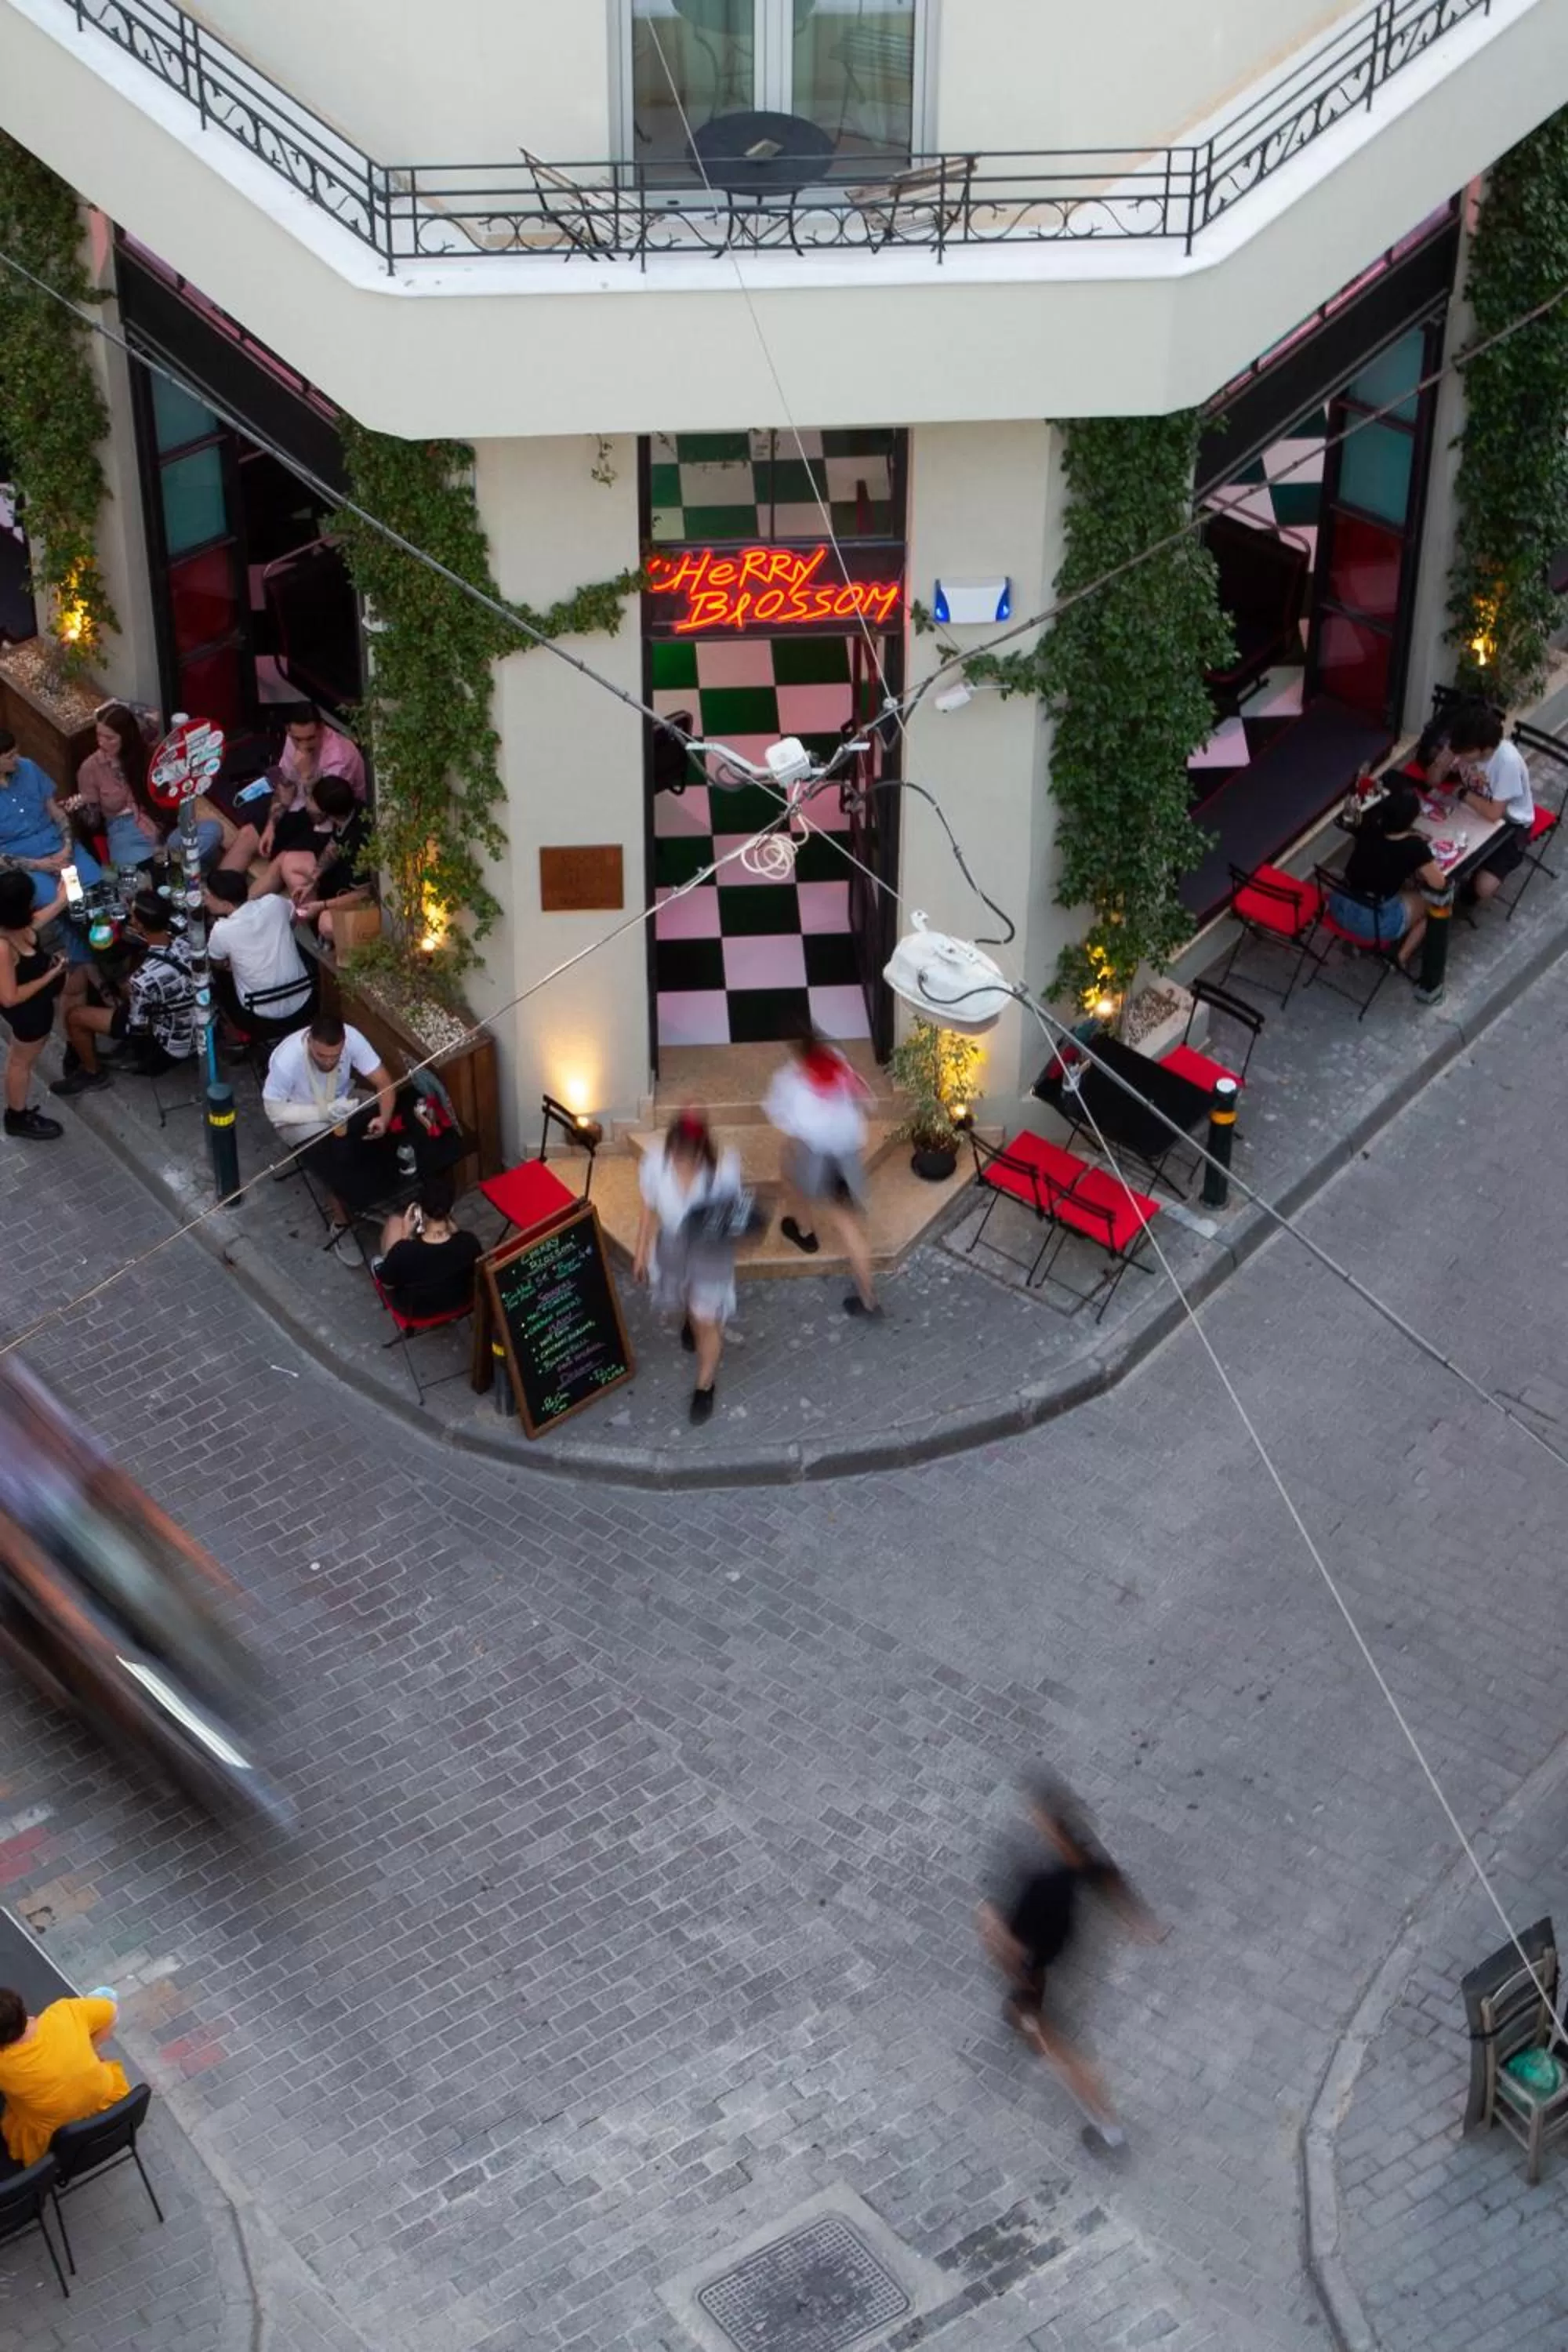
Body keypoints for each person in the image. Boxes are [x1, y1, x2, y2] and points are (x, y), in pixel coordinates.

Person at [976, 1777, 1156, 2151]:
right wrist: (1141, 1924)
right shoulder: (1085, 1860)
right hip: (1062, 1963)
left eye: (1040, 1819)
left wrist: (999, 1941)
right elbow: (1118, 1892)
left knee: (1065, 2049)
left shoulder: (1043, 1882)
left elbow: (1006, 1941)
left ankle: (1111, 2132)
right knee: (1039, 2022)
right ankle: (1027, 2022)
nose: (1034, 1823)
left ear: (1053, 1828)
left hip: (1043, 1973)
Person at [633, 1109, 746, 1425]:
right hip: (674, 1248)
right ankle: (690, 1322)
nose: (684, 1164)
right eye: (679, 1157)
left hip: (709, 1253)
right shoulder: (657, 1163)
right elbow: (648, 1206)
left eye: (690, 1158)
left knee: (706, 1319)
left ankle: (705, 1385)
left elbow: (734, 1220)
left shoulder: (723, 1171)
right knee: (686, 1302)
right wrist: (641, 1250)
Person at [764, 1019, 880, 1316]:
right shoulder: (837, 1060)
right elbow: (865, 1099)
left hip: (818, 1156)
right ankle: (868, 1299)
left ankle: (805, 1231)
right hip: (847, 1152)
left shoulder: (790, 1080)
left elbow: (786, 1121)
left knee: (790, 1176)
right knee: (850, 1223)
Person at [263, 1012, 397, 1234]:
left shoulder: (353, 1038)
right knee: (331, 1156)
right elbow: (274, 1110)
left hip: (341, 1101)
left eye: (335, 1056)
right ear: (309, 1042)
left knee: (375, 1115)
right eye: (321, 1055)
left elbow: (384, 1082)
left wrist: (384, 1118)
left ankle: (374, 1192)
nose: (328, 1061)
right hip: (297, 1117)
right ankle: (340, 1221)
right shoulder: (287, 1060)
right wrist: (324, 1113)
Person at [52, 891, 196, 1095]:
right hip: (200, 1024)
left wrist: (120, 1000)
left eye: (133, 915)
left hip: (169, 1046)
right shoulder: (189, 941)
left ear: (140, 925)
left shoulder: (142, 979)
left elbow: (137, 1027)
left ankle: (93, 1073)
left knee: (74, 1016)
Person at [0, 1984, 131, 2167]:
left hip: (53, 2133)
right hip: (101, 2099)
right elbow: (112, 2012)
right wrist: (91, 2048)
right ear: (22, 2009)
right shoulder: (65, 2012)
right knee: (104, 1995)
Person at [1328, 780, 1446, 973]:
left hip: (1340, 905)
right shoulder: (1414, 847)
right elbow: (1439, 884)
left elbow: (1348, 820)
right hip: (1375, 922)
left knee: (1396, 886)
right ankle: (1400, 957)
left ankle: (1355, 941)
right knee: (1436, 904)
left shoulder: (1368, 828)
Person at [0, 728, 103, 912]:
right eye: (10, 756)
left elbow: (57, 813)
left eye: (17, 751)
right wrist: (40, 865)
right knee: (57, 904)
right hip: (23, 862)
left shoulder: (28, 767)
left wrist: (67, 847)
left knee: (95, 883)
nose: (17, 758)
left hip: (57, 844)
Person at [0, 866, 67, 1141]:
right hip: (28, 1015)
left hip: (38, 1008)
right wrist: (51, 974)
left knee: (22, 1059)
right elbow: (9, 997)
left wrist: (61, 900)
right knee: (20, 1062)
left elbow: (34, 923)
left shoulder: (13, 925)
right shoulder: (2, 947)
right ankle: (17, 1116)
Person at [204, 867, 312, 1028]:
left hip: (259, 1017)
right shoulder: (274, 903)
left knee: (217, 976)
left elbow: (216, 961)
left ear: (225, 904)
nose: (204, 900)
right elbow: (293, 916)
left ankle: (231, 1031)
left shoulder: (221, 930)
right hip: (305, 1002)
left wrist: (228, 965)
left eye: (207, 896)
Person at [1449, 703, 1534, 905]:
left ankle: (1466, 891)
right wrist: (1442, 762)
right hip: (1477, 808)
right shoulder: (1462, 747)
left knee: (1483, 887)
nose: (1459, 758)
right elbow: (1433, 779)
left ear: (1484, 748)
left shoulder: (1506, 762)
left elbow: (1495, 813)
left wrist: (1462, 793)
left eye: (1464, 754)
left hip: (1512, 824)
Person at [373, 1174, 482, 1318]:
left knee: (379, 1258)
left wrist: (405, 1238)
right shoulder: (469, 1242)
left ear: (422, 1211)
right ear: (451, 1209)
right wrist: (457, 1232)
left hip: (416, 1311)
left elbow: (386, 1282)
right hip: (459, 1303)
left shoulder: (404, 1252)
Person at [287, 775, 372, 943]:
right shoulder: (351, 810)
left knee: (326, 922)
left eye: (312, 799)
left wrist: (323, 906)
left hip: (361, 898)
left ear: (325, 811)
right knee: (291, 862)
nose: (308, 802)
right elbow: (334, 845)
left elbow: (365, 893)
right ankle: (309, 919)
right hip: (341, 879)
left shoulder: (360, 841)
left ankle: (318, 931)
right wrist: (312, 880)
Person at [278, 702, 367, 804]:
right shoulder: (292, 737)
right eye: (298, 739)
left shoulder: (339, 757)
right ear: (288, 731)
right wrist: (272, 820)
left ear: (322, 729)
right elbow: (286, 784)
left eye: (310, 738)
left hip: (337, 809)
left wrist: (306, 775)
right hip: (303, 799)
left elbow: (325, 809)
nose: (304, 746)